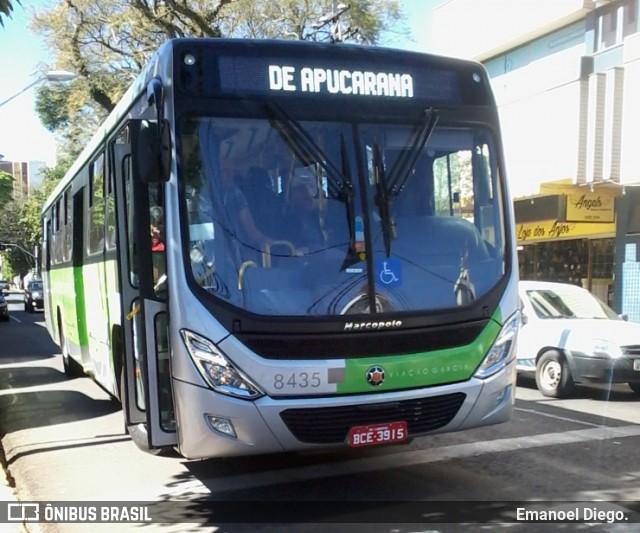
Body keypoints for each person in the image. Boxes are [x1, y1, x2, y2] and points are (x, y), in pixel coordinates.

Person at [281, 182, 325, 253]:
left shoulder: (314, 215)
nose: (311, 201)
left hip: (321, 251)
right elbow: (292, 244)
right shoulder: (289, 221)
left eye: (312, 197)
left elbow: (321, 237)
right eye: (307, 198)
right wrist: (308, 248)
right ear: (297, 201)